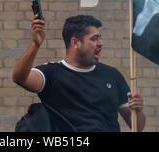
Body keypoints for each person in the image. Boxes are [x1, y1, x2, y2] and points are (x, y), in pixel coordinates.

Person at [13, 14, 146, 132]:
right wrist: (35, 44)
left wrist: (138, 111)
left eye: (100, 38)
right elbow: (19, 78)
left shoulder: (112, 75)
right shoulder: (51, 74)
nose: (101, 43)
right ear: (75, 42)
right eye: (94, 38)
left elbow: (137, 126)